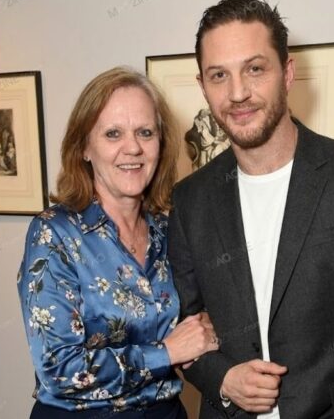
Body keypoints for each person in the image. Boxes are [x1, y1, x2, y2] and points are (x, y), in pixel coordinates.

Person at [169, 0, 334, 418]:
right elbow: (182, 324)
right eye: (219, 75)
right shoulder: (190, 198)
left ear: (287, 72)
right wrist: (223, 379)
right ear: (202, 86)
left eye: (254, 68)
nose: (237, 93)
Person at [17, 66, 218, 418]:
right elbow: (59, 369)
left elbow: (197, 327)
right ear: (84, 148)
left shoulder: (167, 230)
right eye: (113, 134)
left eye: (145, 132)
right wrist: (167, 352)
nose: (133, 148)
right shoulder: (55, 233)